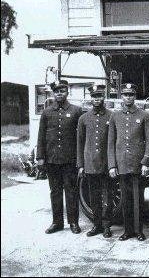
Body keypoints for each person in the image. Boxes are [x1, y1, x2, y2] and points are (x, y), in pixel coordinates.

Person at [36, 79, 83, 234]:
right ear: (53, 93)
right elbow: (41, 136)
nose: (59, 94)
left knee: (71, 191)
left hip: (70, 159)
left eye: (62, 91)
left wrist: (79, 159)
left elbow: (80, 137)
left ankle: (74, 222)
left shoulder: (76, 111)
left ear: (67, 91)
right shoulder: (47, 112)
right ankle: (57, 222)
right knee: (55, 191)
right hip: (52, 159)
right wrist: (40, 157)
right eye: (56, 91)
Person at [108, 83, 149, 241]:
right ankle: (127, 231)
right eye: (125, 95)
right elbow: (111, 142)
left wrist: (146, 162)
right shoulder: (115, 116)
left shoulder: (144, 116)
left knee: (138, 199)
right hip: (122, 163)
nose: (128, 97)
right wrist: (112, 164)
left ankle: (139, 230)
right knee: (125, 199)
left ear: (135, 96)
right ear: (121, 97)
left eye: (131, 94)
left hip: (138, 164)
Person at [77, 84, 113, 238]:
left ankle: (106, 226)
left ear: (103, 97)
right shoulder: (83, 118)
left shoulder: (111, 116)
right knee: (94, 196)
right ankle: (96, 225)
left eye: (99, 96)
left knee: (108, 195)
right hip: (90, 163)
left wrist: (113, 164)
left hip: (106, 163)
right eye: (94, 96)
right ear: (90, 98)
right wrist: (80, 165)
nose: (96, 99)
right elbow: (79, 142)